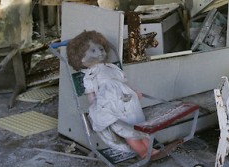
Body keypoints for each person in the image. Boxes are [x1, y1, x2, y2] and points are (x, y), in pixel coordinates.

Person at [66, 30, 160, 159]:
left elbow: (124, 81)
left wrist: (134, 91)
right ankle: (143, 152)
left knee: (139, 125)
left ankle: (150, 148)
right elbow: (91, 94)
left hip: (129, 104)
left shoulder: (111, 67)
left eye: (101, 49)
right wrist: (96, 107)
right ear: (81, 59)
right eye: (93, 51)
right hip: (112, 107)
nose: (99, 52)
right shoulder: (90, 75)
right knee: (126, 130)